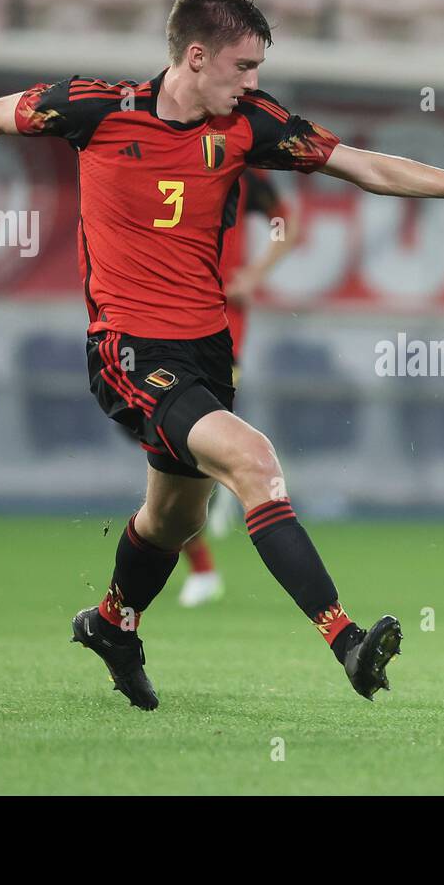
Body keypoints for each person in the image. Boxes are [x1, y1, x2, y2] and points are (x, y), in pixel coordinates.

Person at [0, 0, 444, 711]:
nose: (254, 82)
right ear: (195, 57)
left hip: (205, 351)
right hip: (127, 350)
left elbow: (366, 166)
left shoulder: (250, 125)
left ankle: (114, 622)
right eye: (244, 67)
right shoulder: (97, 109)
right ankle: (345, 639)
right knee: (255, 461)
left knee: (173, 520)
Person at [178, 167, 297, 608]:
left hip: (221, 325)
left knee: (179, 437)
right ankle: (223, 477)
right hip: (161, 319)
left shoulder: (241, 167)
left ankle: (205, 562)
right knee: (168, 444)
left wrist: (254, 273)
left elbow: (286, 222)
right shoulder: (158, 148)